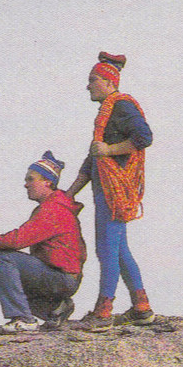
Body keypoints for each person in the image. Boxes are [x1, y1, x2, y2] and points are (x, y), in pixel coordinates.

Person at [65, 51, 154, 328]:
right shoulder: (108, 112)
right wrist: (70, 193)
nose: (88, 85)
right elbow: (92, 158)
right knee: (119, 250)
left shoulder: (121, 107)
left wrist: (110, 150)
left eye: (92, 80)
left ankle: (103, 312)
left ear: (108, 81)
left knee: (107, 249)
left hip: (114, 190)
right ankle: (142, 307)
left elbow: (144, 137)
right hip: (107, 188)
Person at [0, 151, 85, 333]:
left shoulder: (53, 209)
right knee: (0, 287)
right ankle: (55, 310)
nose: (25, 184)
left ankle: (24, 319)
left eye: (31, 179)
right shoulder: (51, 206)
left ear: (48, 182)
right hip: (62, 277)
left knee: (4, 258)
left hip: (62, 278)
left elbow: (18, 240)